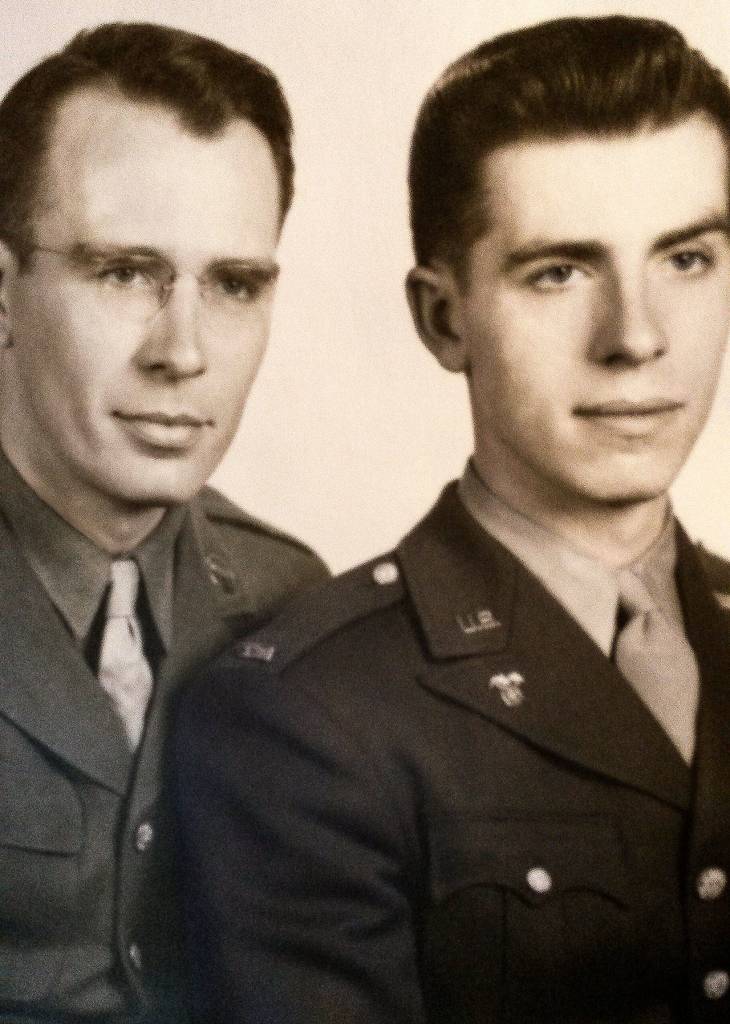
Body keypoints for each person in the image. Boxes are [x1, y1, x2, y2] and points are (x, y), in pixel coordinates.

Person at [177, 14, 730, 1023]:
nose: (637, 337)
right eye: (559, 271)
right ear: (443, 317)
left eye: (685, 258)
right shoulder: (308, 716)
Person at [0, 22, 327, 1024]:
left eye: (233, 285)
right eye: (124, 271)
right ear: (4, 287)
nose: (183, 351)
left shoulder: (291, 601)